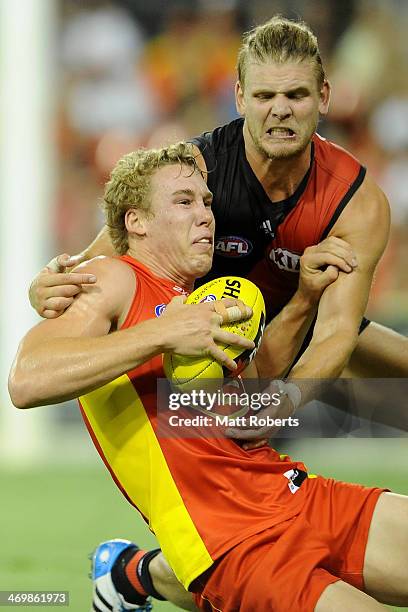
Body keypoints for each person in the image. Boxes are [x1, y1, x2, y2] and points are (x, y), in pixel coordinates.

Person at [9, 143, 408, 612]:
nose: (205, 216)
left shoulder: (204, 296)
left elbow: (252, 393)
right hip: (233, 545)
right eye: (184, 202)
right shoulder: (113, 279)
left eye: (206, 202)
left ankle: (133, 574)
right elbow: (26, 381)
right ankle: (137, 574)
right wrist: (164, 332)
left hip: (293, 493)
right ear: (136, 221)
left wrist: (303, 300)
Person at [29, 15, 407, 391]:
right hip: (196, 331)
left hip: (299, 324)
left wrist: (282, 405)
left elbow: (336, 332)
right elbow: (96, 264)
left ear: (323, 97)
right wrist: (49, 285)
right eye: (264, 96)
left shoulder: (356, 201)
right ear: (240, 97)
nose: (280, 110)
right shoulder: (192, 172)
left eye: (296, 95)